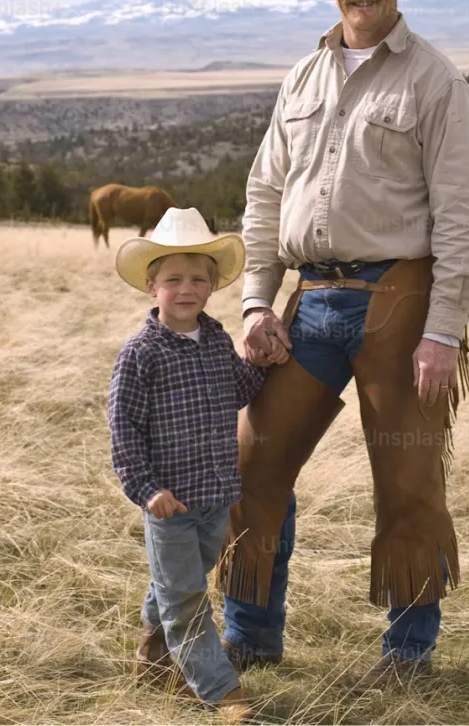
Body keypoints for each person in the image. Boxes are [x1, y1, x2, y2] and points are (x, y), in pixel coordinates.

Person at [213, 0, 469, 680]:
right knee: (251, 464)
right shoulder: (302, 75)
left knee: (406, 477)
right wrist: (258, 301)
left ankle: (408, 655)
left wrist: (442, 331)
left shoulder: (436, 82)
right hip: (307, 300)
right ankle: (252, 634)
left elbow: (462, 218)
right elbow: (264, 195)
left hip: (399, 301)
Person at [108, 206, 270, 722]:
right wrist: (146, 488)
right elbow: (124, 428)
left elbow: (238, 391)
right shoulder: (140, 354)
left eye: (198, 278)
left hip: (216, 495)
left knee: (178, 579)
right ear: (151, 285)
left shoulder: (218, 341)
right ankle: (221, 691)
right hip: (169, 500)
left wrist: (262, 362)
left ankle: (151, 656)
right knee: (186, 596)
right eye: (173, 279)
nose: (186, 289)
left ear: (212, 285)